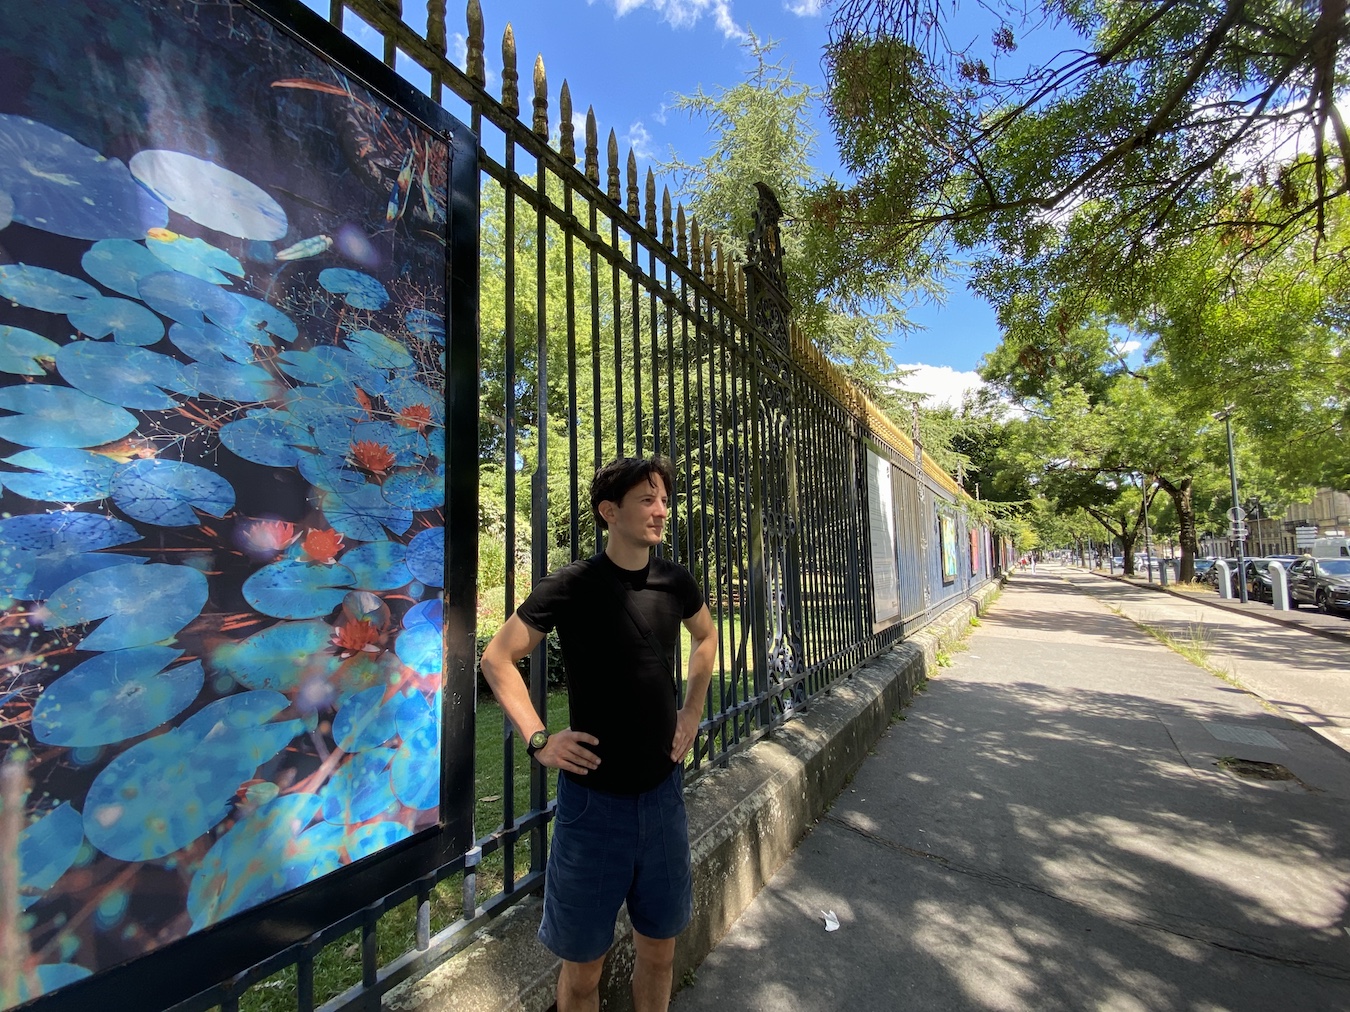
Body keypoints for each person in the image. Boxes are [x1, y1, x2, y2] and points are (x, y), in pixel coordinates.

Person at [479, 456, 718, 1012]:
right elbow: (498, 658)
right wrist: (540, 741)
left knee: (659, 953)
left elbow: (705, 639)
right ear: (610, 511)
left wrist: (692, 712)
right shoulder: (573, 585)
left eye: (664, 499)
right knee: (584, 970)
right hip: (593, 810)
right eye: (647, 500)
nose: (661, 510)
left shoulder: (675, 582)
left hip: (662, 800)